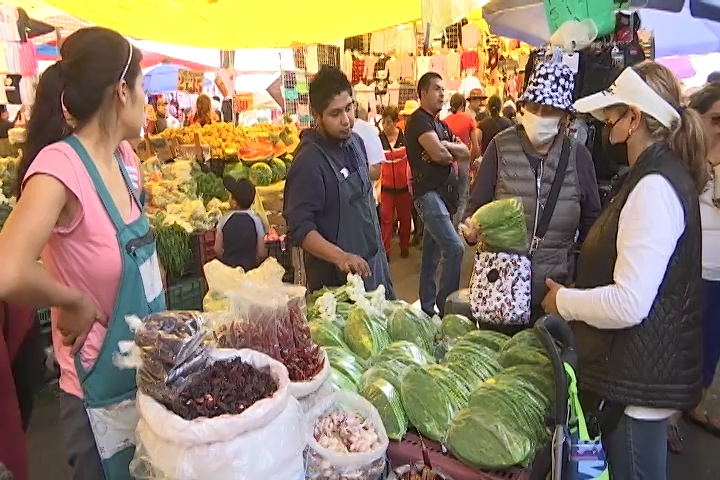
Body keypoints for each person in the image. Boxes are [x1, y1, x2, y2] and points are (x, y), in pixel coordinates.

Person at [0, 27, 165, 479]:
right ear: (121, 90)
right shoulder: (60, 167)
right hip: (98, 394)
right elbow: (6, 270)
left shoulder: (124, 159)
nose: (147, 100)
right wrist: (71, 299)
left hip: (147, 378)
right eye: (144, 86)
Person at [541, 61, 708, 479]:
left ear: (634, 118)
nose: (605, 128)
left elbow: (630, 302)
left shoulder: (653, 187)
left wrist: (564, 301)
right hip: (632, 377)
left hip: (634, 388)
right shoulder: (649, 175)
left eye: (610, 117)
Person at [462, 61, 601, 320]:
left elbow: (592, 224)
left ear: (564, 116)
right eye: (533, 107)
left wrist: (576, 285)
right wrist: (471, 231)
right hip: (502, 291)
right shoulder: (500, 148)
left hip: (554, 293)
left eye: (549, 110)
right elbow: (474, 208)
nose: (539, 115)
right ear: (523, 107)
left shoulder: (578, 157)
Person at [283, 66, 394, 298]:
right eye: (335, 114)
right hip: (338, 287)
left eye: (349, 108)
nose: (346, 120)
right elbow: (300, 229)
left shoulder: (356, 142)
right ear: (317, 116)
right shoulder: (309, 162)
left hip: (374, 269)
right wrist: (340, 257)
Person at [665, 82, 720, 453]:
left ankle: (695, 404)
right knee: (679, 343)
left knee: (710, 343)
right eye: (716, 118)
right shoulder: (681, 159)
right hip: (689, 268)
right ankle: (667, 414)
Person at [406, 72, 469, 317]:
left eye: (444, 89)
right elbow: (440, 156)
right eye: (436, 89)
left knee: (431, 257)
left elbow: (464, 151)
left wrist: (445, 146)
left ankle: (426, 308)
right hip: (428, 195)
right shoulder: (419, 121)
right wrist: (445, 149)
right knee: (455, 248)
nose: (442, 94)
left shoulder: (440, 125)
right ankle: (446, 308)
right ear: (422, 93)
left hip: (444, 195)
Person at [378, 106, 412, 260]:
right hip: (387, 188)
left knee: (405, 219)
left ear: (396, 122)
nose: (386, 126)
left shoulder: (404, 138)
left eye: (389, 122)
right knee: (386, 219)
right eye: (383, 122)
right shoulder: (379, 139)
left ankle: (404, 246)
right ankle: (386, 252)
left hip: (404, 187)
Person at [214, 177, 267, 271]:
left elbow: (217, 249)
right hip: (250, 271)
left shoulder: (224, 220)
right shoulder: (256, 221)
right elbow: (261, 253)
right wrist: (254, 263)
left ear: (234, 202)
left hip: (229, 272)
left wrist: (227, 262)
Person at [444, 92, 480, 223]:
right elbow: (476, 147)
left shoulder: (444, 121)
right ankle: (457, 231)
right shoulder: (468, 119)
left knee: (448, 198)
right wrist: (470, 163)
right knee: (461, 199)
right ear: (463, 105)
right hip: (463, 163)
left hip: (447, 164)